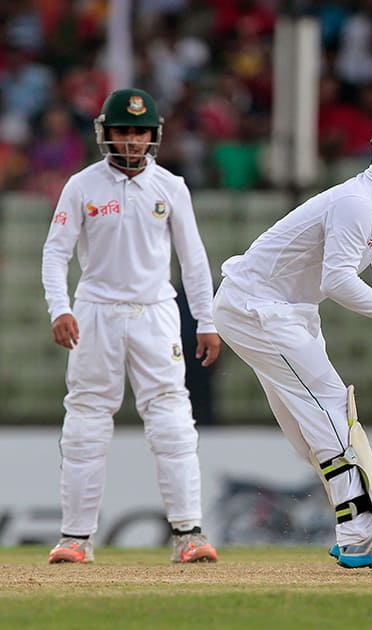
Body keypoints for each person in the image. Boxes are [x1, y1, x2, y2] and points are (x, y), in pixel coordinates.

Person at [212, 118, 372, 571]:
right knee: (329, 407)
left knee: (309, 432)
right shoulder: (356, 204)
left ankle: (365, 530)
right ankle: (359, 533)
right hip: (257, 305)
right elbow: (339, 281)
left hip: (289, 309)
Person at [41, 88, 220, 564]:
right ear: (107, 134)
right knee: (85, 422)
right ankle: (75, 539)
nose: (133, 140)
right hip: (95, 312)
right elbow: (56, 252)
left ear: (153, 135)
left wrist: (206, 318)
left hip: (154, 311)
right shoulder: (82, 186)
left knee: (172, 422)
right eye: (124, 131)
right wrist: (60, 309)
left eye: (140, 131)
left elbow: (194, 260)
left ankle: (189, 534)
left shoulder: (171, 187)